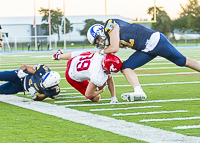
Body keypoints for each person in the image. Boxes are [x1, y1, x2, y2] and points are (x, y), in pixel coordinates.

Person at [87, 19, 200, 102]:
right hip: (146, 49)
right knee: (125, 67)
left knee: (181, 61)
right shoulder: (111, 38)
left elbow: (114, 48)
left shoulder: (110, 24)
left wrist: (101, 52)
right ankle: (139, 91)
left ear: (100, 31)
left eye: (98, 39)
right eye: (96, 43)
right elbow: (112, 53)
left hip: (156, 41)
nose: (99, 43)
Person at [52, 49, 122, 103]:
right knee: (96, 98)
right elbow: (88, 95)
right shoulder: (97, 75)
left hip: (74, 60)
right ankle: (59, 56)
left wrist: (113, 97)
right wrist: (101, 90)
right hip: (71, 76)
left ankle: (58, 56)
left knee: (87, 53)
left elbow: (109, 77)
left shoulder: (101, 55)